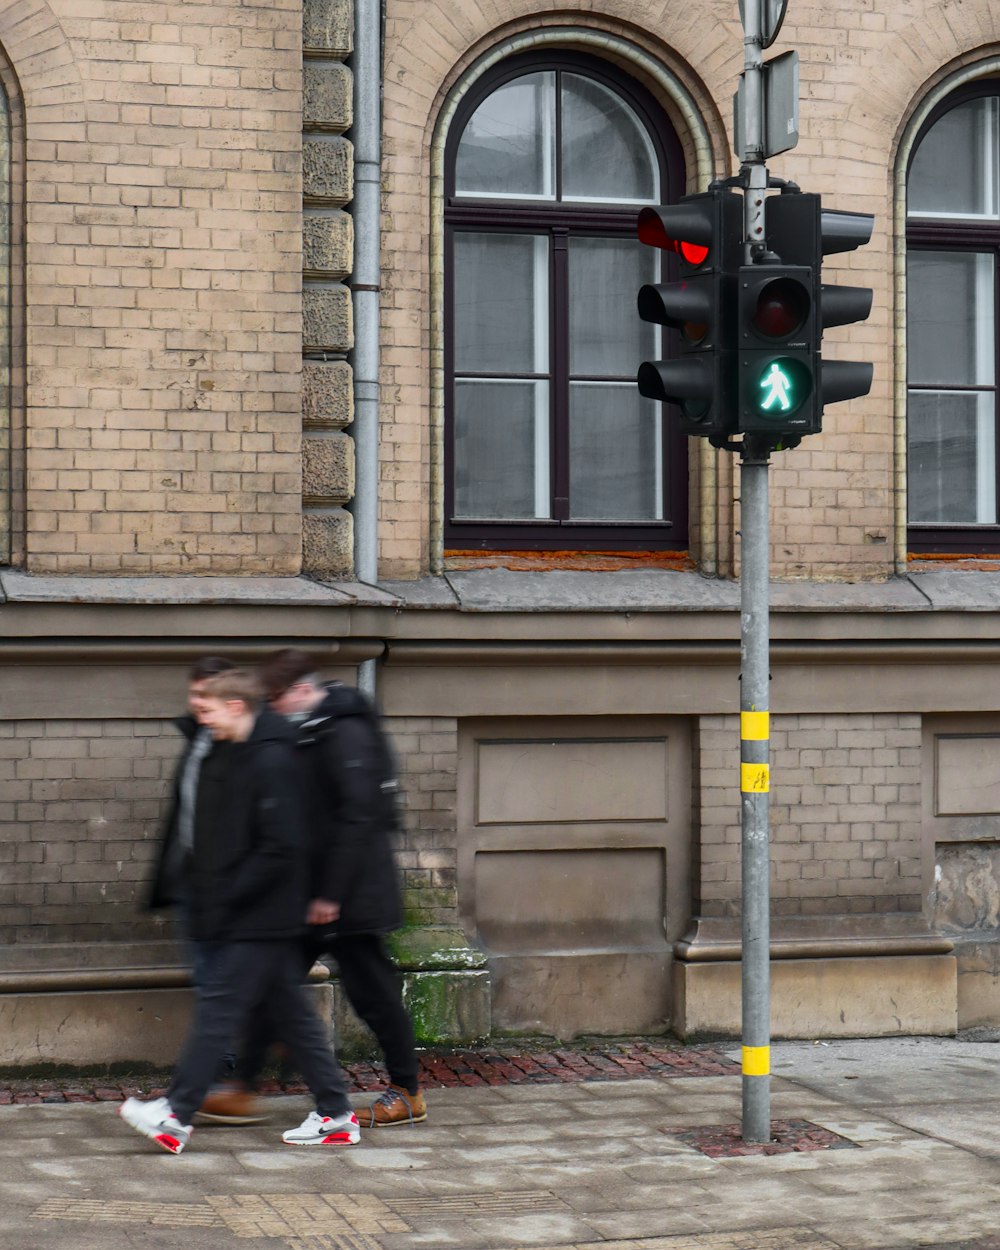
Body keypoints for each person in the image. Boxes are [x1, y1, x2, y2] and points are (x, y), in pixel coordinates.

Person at [119, 668, 359, 1154]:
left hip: (261, 912)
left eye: (207, 710)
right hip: (264, 911)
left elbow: (280, 846)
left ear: (236, 706)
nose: (201, 719)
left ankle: (176, 1114)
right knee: (292, 1017)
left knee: (218, 1009)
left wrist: (228, 896)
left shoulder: (272, 759)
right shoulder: (249, 752)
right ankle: (336, 1114)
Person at [247, 648, 426, 1128]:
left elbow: (356, 816)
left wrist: (330, 893)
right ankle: (238, 1084)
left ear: (302, 691)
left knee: (374, 994)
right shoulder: (310, 729)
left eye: (276, 698)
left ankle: (407, 1091)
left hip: (352, 894)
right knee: (273, 977)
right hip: (316, 891)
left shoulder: (343, 730)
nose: (272, 708)